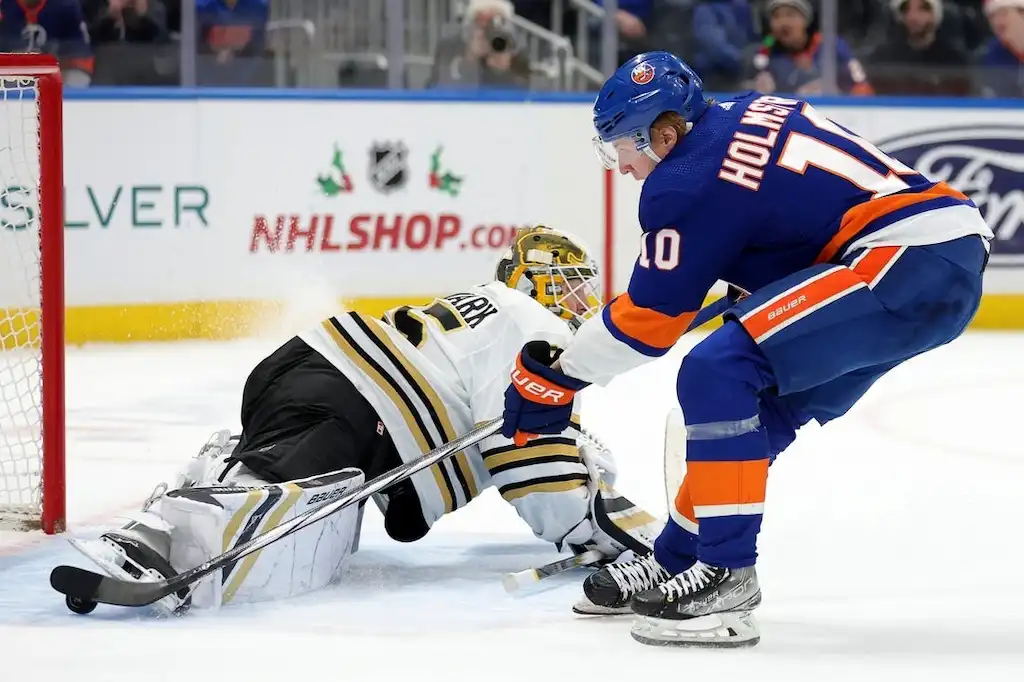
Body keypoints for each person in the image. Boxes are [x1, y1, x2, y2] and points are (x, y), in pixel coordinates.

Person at [500, 51, 993, 648]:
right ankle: (680, 559)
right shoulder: (745, 110)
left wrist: (559, 377)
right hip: (930, 257)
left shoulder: (684, 180)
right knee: (756, 414)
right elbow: (788, 208)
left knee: (718, 369)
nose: (626, 167)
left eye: (627, 147)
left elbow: (651, 322)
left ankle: (728, 579)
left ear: (664, 131)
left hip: (902, 262)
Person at [67, 226, 662, 615]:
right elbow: (526, 455)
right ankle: (159, 538)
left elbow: (474, 450)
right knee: (264, 482)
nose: (581, 301)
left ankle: (160, 519)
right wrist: (595, 529)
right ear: (534, 282)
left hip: (318, 365)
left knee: (269, 470)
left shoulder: (487, 310)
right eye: (570, 285)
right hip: (360, 395)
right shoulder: (539, 325)